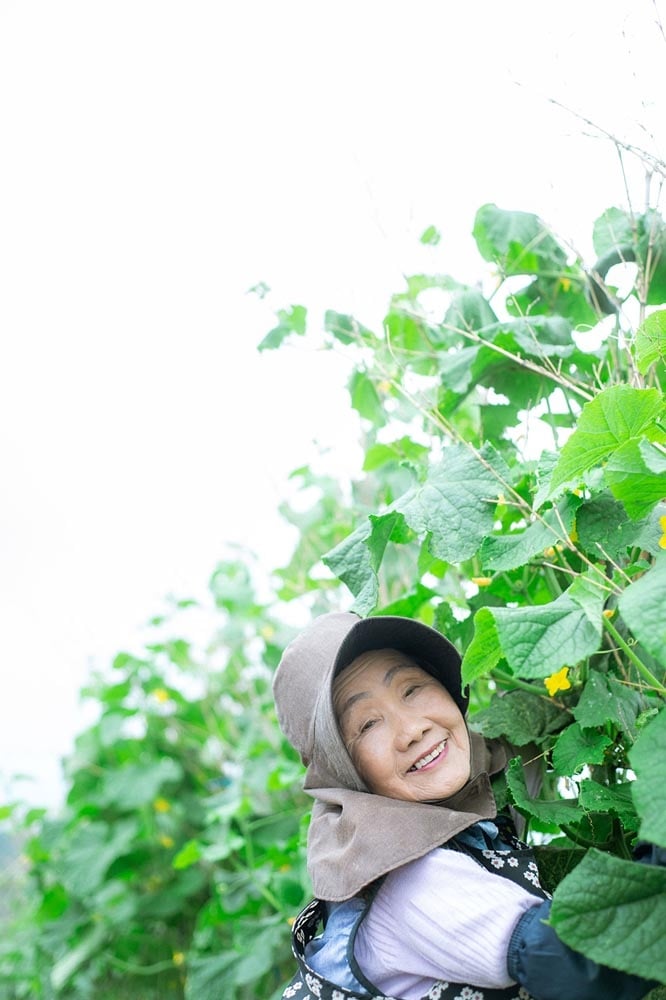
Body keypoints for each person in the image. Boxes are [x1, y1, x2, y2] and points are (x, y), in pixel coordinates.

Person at [272, 611, 658, 1000]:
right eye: (368, 725)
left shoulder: (466, 779)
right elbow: (578, 964)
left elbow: (533, 711)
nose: (412, 729)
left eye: (412, 689)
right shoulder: (409, 882)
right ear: (342, 770)